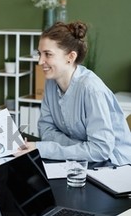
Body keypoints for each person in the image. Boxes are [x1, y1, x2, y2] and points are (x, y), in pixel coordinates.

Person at [16, 21, 131, 165]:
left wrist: (44, 148)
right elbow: (45, 130)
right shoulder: (51, 82)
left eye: (48, 54)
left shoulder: (91, 89)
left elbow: (100, 150)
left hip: (113, 164)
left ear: (70, 57)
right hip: (79, 160)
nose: (40, 61)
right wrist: (78, 146)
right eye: (40, 54)